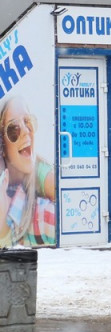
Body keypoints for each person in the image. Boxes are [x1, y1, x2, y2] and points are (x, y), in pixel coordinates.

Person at [0, 97, 57, 248]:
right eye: (13, 128)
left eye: (27, 121)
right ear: (2, 146)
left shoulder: (45, 178)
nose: (26, 131)